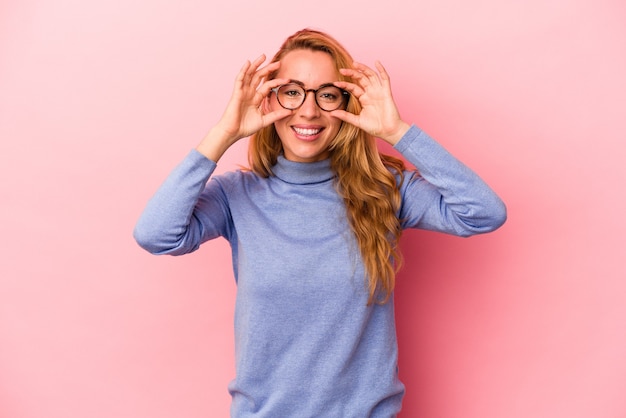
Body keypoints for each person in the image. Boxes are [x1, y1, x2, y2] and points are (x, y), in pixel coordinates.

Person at [134, 28, 506, 417]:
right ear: (269, 99)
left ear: (347, 103)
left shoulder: (386, 189)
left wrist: (398, 133)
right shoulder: (236, 195)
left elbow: (483, 213)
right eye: (292, 91)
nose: (308, 111)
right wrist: (223, 134)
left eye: (327, 94)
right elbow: (156, 235)